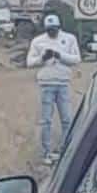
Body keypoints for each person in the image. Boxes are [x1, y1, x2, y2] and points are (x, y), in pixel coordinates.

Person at [27, 14, 81, 164]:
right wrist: (42, 59)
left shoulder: (69, 39)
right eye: (49, 30)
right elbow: (30, 62)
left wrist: (59, 55)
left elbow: (76, 59)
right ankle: (46, 152)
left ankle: (66, 150)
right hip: (46, 82)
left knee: (67, 119)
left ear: (59, 27)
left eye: (54, 29)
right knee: (46, 120)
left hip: (63, 82)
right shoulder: (38, 41)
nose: (52, 32)